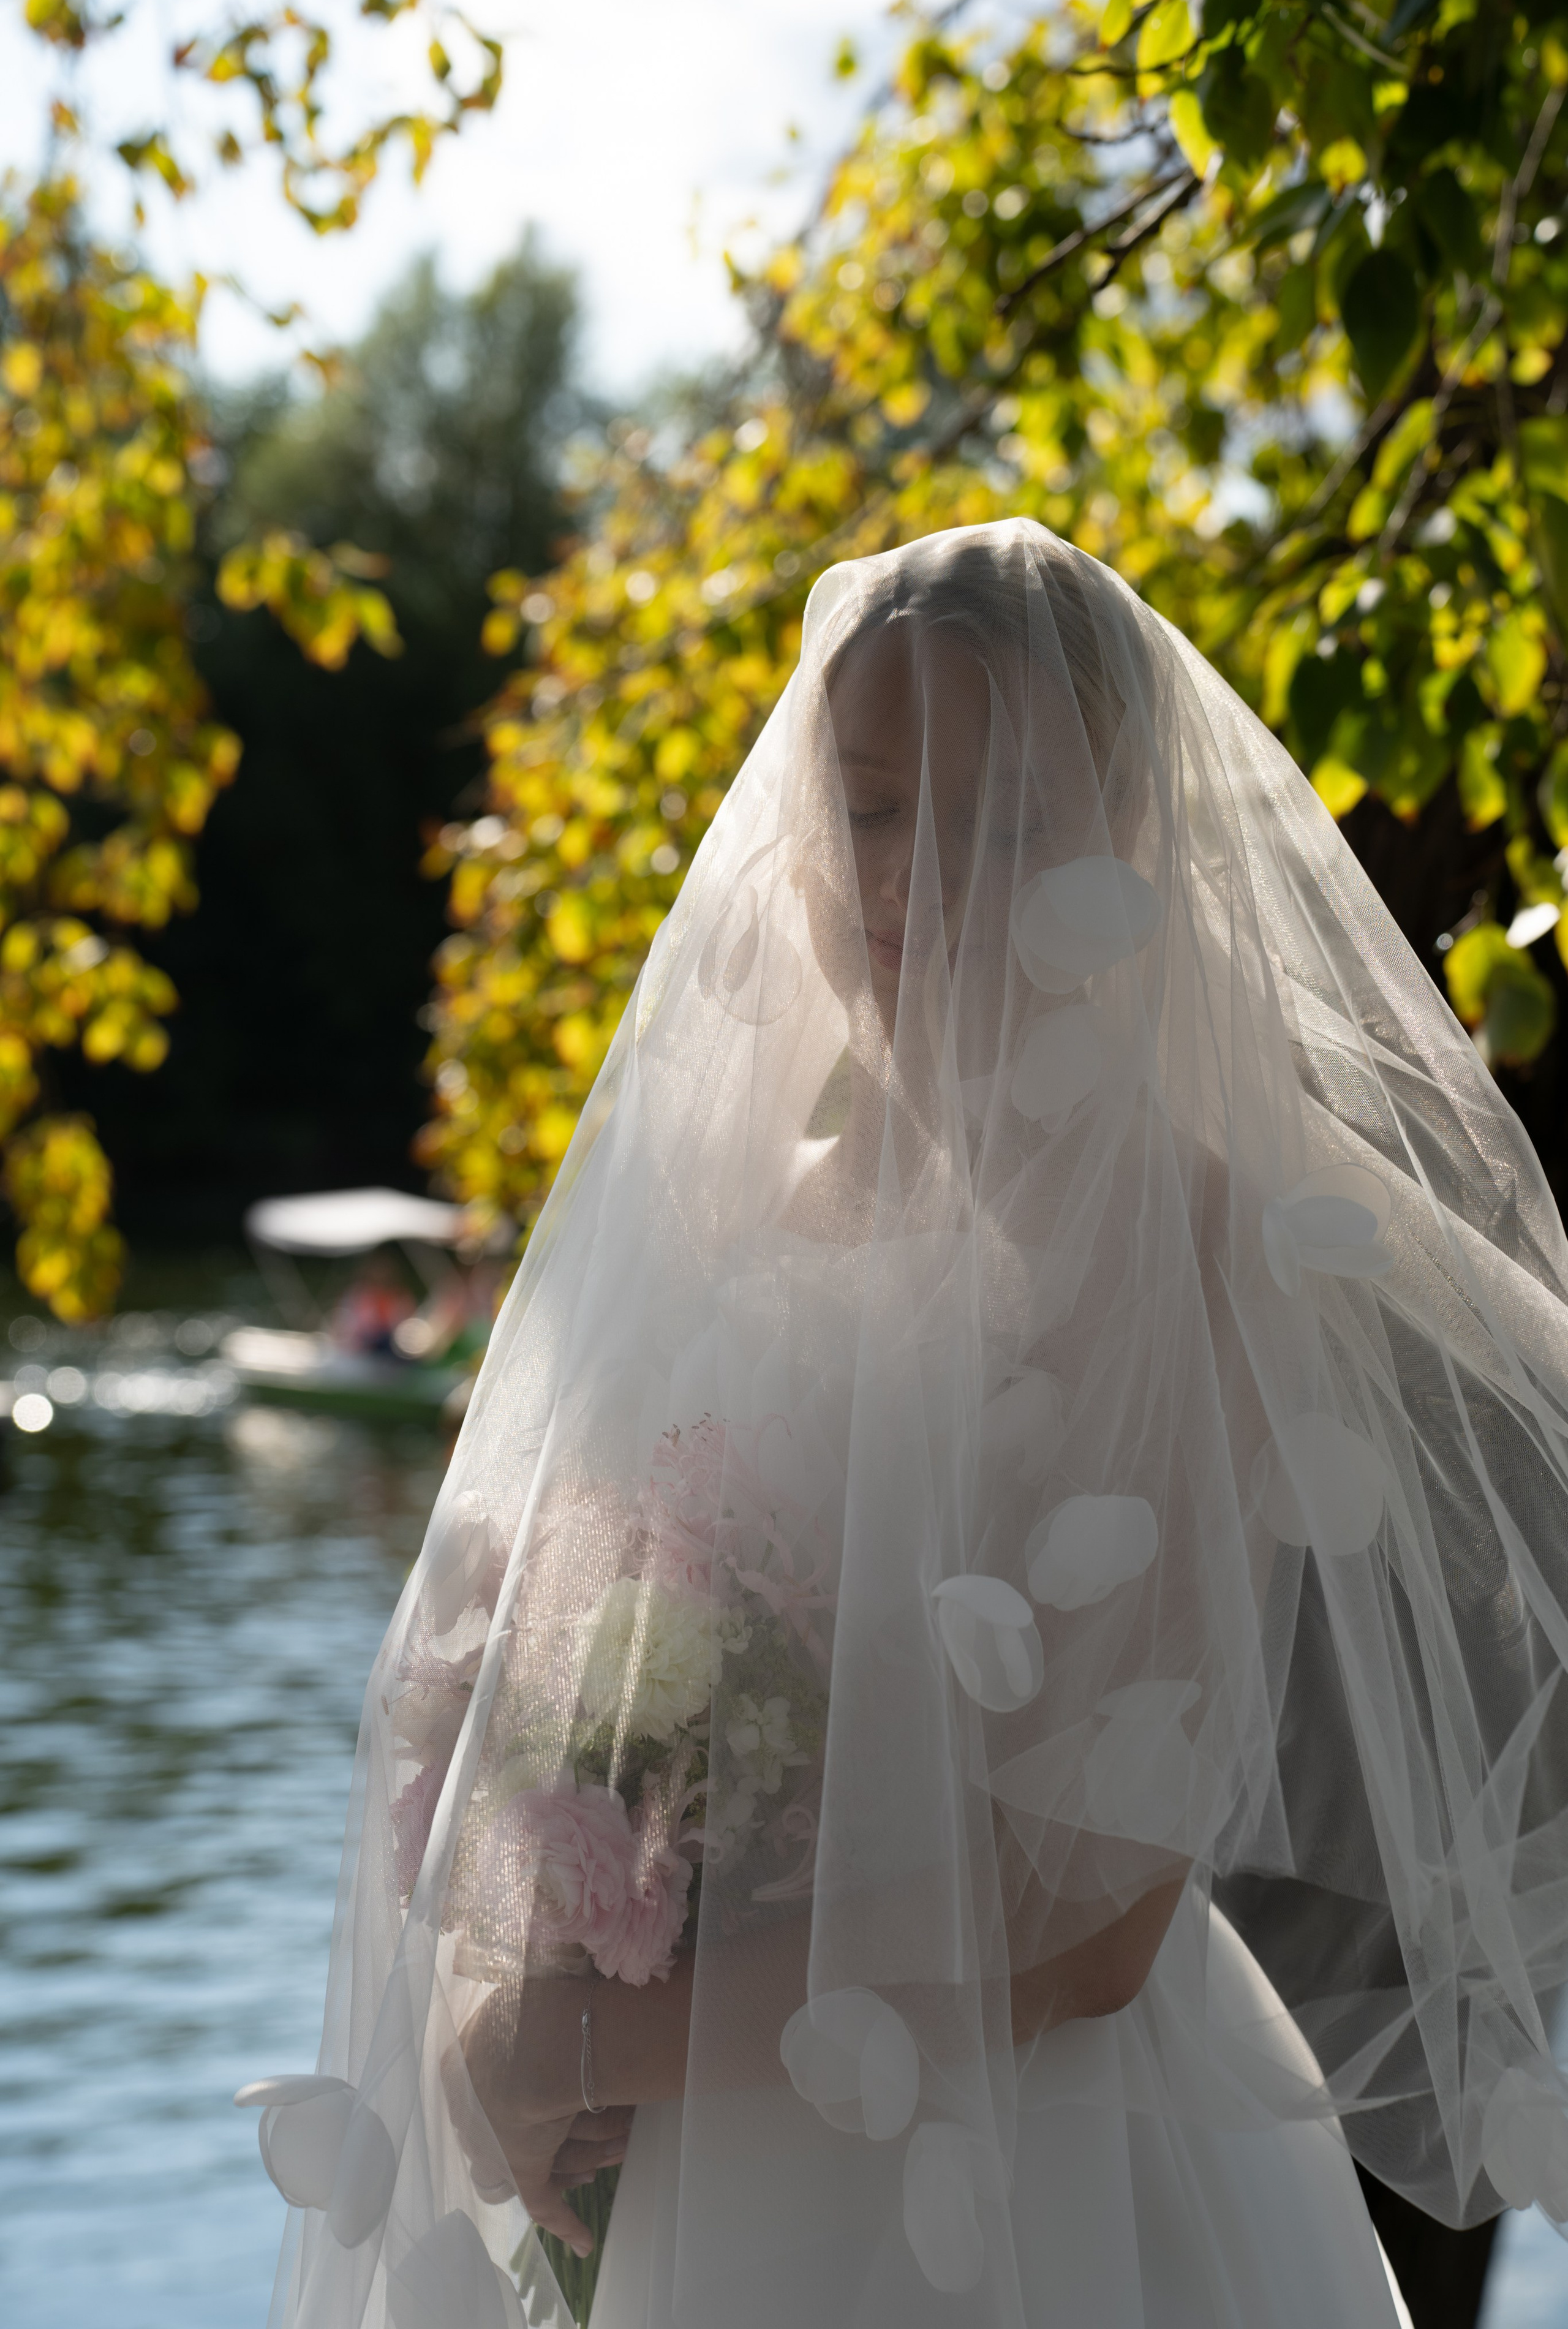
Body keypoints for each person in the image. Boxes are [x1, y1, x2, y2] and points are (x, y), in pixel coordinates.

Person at [239, 523, 1568, 2329]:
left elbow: (1091, 1925)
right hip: (710, 2159)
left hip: (1037, 2182)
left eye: (1000, 818)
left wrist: (593, 2028)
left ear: (1130, 838)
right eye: (871, 807)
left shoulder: (1205, 1253)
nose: (918, 873)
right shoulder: (755, 1211)